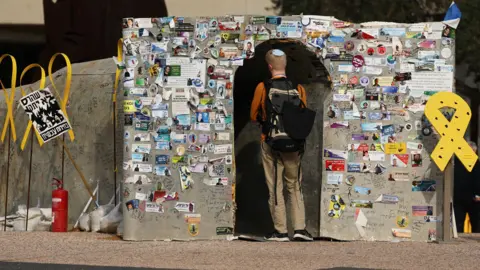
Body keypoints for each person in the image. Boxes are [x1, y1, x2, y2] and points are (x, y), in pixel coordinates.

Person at [250, 49, 313, 242]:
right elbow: (301, 115)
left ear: (269, 67)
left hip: (271, 143)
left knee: (275, 186)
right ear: (285, 65)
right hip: (294, 145)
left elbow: (254, 115)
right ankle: (301, 229)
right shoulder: (298, 88)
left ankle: (281, 231)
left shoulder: (263, 87)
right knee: (294, 185)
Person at [454, 141, 480, 233]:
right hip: (459, 198)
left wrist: (478, 194)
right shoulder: (456, 163)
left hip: (474, 199)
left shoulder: (477, 163)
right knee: (458, 224)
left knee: (476, 224)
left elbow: (477, 180)